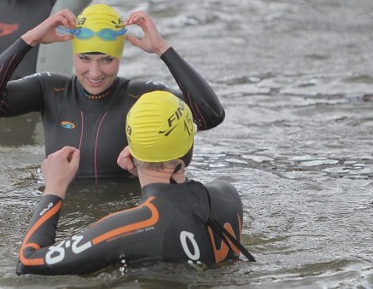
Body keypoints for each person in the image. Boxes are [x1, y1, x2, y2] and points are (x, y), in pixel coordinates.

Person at [0, 4, 225, 179]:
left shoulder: (142, 98)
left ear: (120, 58)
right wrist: (30, 39)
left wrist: (162, 49)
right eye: (85, 59)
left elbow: (209, 116)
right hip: (64, 219)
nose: (94, 72)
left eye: (106, 60)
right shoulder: (51, 90)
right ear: (74, 54)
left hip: (121, 219)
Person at [16, 91, 254, 275]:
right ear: (189, 149)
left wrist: (54, 187)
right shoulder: (227, 196)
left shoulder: (129, 227)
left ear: (130, 151)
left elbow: (29, 261)